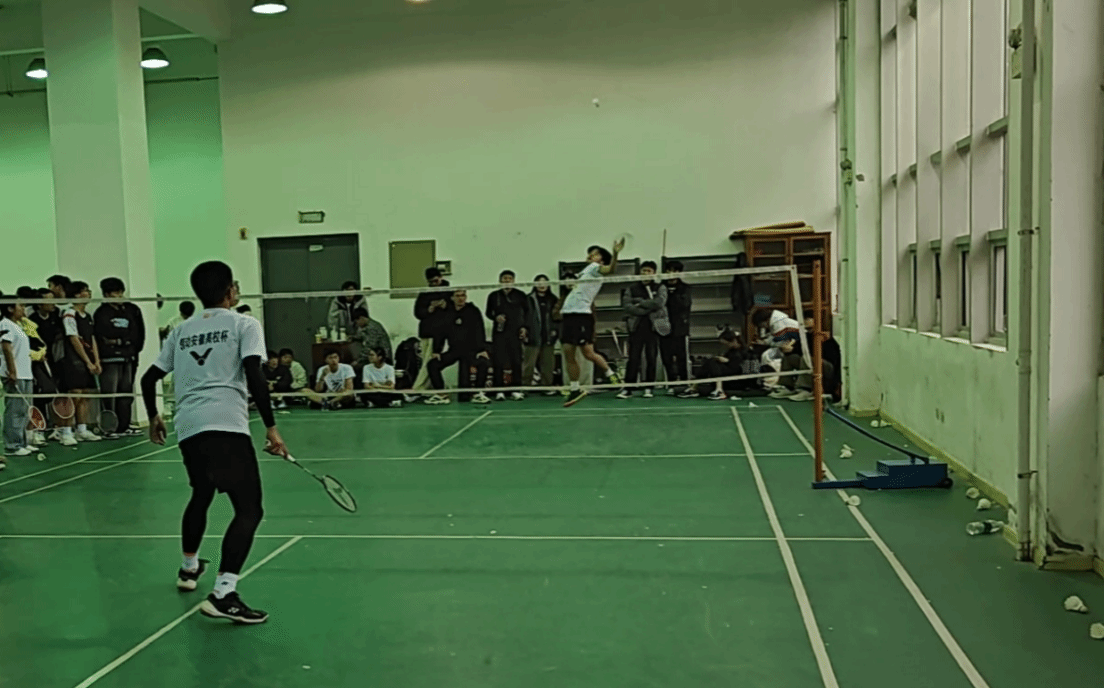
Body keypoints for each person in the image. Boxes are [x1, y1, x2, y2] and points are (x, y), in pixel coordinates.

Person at [139, 260, 289, 624]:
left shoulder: (181, 330)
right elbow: (254, 374)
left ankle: (189, 568)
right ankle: (224, 593)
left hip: (189, 428)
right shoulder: (244, 324)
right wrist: (271, 427)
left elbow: (148, 379)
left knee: (202, 493)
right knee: (249, 509)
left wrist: (155, 416)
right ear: (231, 290)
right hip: (226, 426)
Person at [556, 240, 625, 407]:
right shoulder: (585, 271)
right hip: (568, 315)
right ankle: (574, 388)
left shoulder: (596, 268)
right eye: (590, 253)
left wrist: (615, 254)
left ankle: (611, 373)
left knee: (588, 353)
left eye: (595, 254)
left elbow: (610, 269)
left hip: (581, 315)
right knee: (568, 352)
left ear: (601, 259)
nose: (590, 255)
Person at [93, 277, 146, 438]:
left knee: (126, 394)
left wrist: (124, 344)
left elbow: (138, 333)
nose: (119, 295)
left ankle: (124, 426)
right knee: (110, 394)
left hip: (129, 358)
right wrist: (117, 341)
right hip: (109, 360)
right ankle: (109, 428)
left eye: (121, 292)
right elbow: (104, 335)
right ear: (106, 295)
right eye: (115, 293)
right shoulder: (101, 313)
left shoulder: (132, 310)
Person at [425, 289, 491, 406]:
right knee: (432, 364)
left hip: (470, 350)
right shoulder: (447, 313)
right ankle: (441, 395)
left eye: (463, 295)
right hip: (454, 350)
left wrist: (481, 350)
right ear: (452, 298)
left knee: (483, 362)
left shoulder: (473, 311)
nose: (461, 298)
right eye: (458, 296)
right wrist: (437, 351)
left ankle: (478, 393)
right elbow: (440, 333)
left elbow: (479, 331)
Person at [29, 287, 75, 446]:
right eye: (48, 300)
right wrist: (38, 355)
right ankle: (39, 430)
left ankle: (62, 430)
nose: (52, 303)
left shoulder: (57, 316)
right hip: (38, 362)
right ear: (39, 304)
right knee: (42, 395)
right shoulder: (32, 320)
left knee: (62, 393)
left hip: (58, 361)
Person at [617, 261, 670, 399]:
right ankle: (628, 388)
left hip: (653, 328)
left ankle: (649, 387)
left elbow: (659, 303)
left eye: (649, 271)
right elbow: (627, 306)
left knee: (651, 358)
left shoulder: (660, 287)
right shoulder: (631, 288)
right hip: (636, 328)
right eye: (643, 271)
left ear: (654, 273)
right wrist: (647, 308)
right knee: (633, 358)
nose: (645, 273)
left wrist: (640, 302)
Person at [61, 281, 102, 442]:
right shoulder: (69, 314)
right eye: (85, 290)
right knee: (74, 395)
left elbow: (92, 339)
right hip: (73, 361)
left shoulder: (88, 316)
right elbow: (74, 339)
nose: (89, 293)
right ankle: (66, 432)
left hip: (88, 361)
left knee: (85, 395)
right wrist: (87, 361)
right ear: (77, 294)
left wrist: (96, 361)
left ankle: (82, 430)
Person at [485, 270, 530, 401]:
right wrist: (495, 317)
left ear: (513, 281)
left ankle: (516, 389)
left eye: (509, 279)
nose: (507, 281)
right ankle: (499, 390)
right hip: (499, 333)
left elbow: (527, 313)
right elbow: (488, 312)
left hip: (515, 333)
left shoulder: (521, 295)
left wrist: (524, 328)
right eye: (504, 278)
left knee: (516, 361)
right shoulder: (493, 296)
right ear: (500, 281)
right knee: (498, 361)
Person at [1, 294, 34, 458]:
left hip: (26, 373)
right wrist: (12, 371)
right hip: (15, 373)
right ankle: (12, 445)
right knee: (14, 410)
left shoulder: (18, 326)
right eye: (20, 306)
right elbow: (6, 347)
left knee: (23, 410)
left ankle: (21, 442)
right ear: (10, 308)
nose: (23, 309)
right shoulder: (5, 324)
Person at [412, 267, 451, 394]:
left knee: (429, 362)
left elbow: (454, 310)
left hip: (440, 332)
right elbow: (417, 312)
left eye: (436, 281)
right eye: (431, 282)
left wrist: (445, 306)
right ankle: (429, 387)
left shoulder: (449, 292)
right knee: (426, 361)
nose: (434, 284)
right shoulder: (424, 293)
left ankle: (417, 388)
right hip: (426, 331)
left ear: (441, 278)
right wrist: (428, 309)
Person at [677, 329, 747, 401]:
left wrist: (728, 361)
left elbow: (740, 367)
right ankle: (694, 387)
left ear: (734, 341)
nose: (726, 346)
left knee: (713, 363)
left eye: (726, 344)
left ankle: (719, 390)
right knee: (710, 361)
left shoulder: (744, 351)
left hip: (736, 378)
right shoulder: (731, 350)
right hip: (727, 373)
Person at [523, 274, 559, 395]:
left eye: (544, 282)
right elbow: (523, 316)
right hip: (532, 336)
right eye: (539, 282)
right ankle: (525, 387)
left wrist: (555, 332)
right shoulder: (528, 299)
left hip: (548, 336)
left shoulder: (553, 299)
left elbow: (557, 318)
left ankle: (547, 386)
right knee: (528, 364)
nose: (542, 285)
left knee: (548, 364)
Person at [660, 261, 692, 393]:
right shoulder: (660, 287)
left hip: (680, 328)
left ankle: (684, 383)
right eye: (669, 270)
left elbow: (684, 305)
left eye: (675, 271)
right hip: (663, 327)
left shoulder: (685, 288)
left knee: (681, 358)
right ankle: (671, 383)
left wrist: (671, 295)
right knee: (666, 358)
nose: (671, 274)